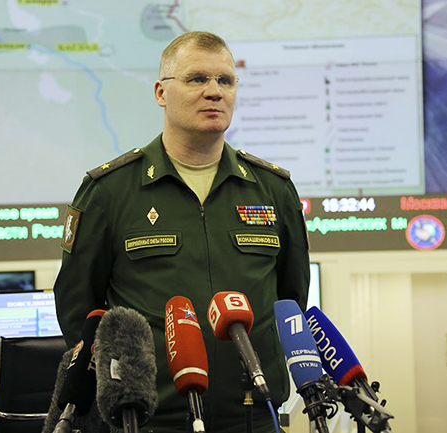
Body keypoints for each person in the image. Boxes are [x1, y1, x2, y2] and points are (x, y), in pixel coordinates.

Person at [53, 31, 310, 433]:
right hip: (149, 419)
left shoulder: (272, 188)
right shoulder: (110, 190)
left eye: (225, 80)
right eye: (197, 79)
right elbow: (79, 309)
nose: (214, 91)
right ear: (161, 92)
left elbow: (291, 298)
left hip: (253, 414)